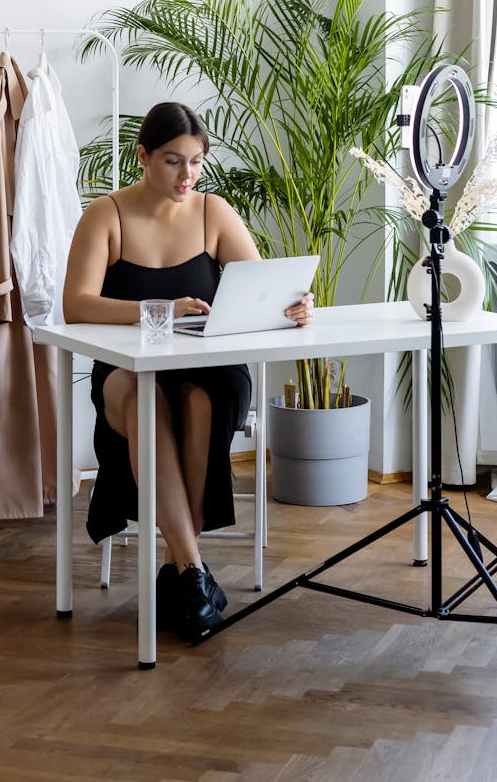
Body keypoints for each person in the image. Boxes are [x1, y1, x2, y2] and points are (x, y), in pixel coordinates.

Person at [62, 101, 314, 641]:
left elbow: (263, 288)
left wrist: (295, 305)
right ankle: (194, 573)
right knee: (144, 400)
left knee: (203, 400)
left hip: (208, 366)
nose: (187, 176)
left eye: (197, 162)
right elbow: (76, 304)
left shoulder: (212, 213)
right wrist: (159, 309)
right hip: (128, 371)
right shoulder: (106, 215)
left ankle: (183, 570)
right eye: (174, 161)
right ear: (143, 156)